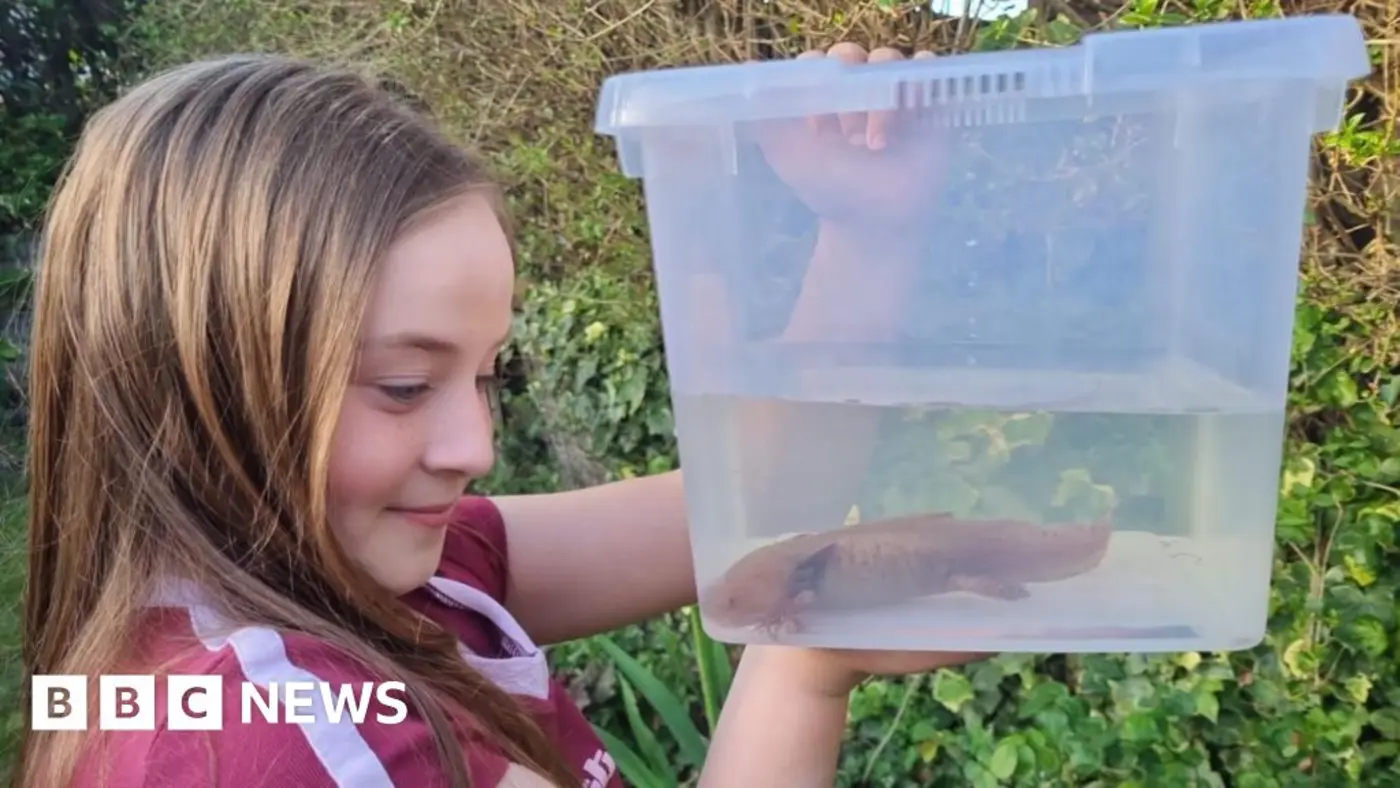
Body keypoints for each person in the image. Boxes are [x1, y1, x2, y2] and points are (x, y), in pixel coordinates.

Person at [15, 41, 984, 788]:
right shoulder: (292, 740)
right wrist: (800, 667)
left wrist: (865, 232)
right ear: (199, 376)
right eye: (402, 384)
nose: (474, 446)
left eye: (485, 376)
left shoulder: (364, 579)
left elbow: (764, 503)